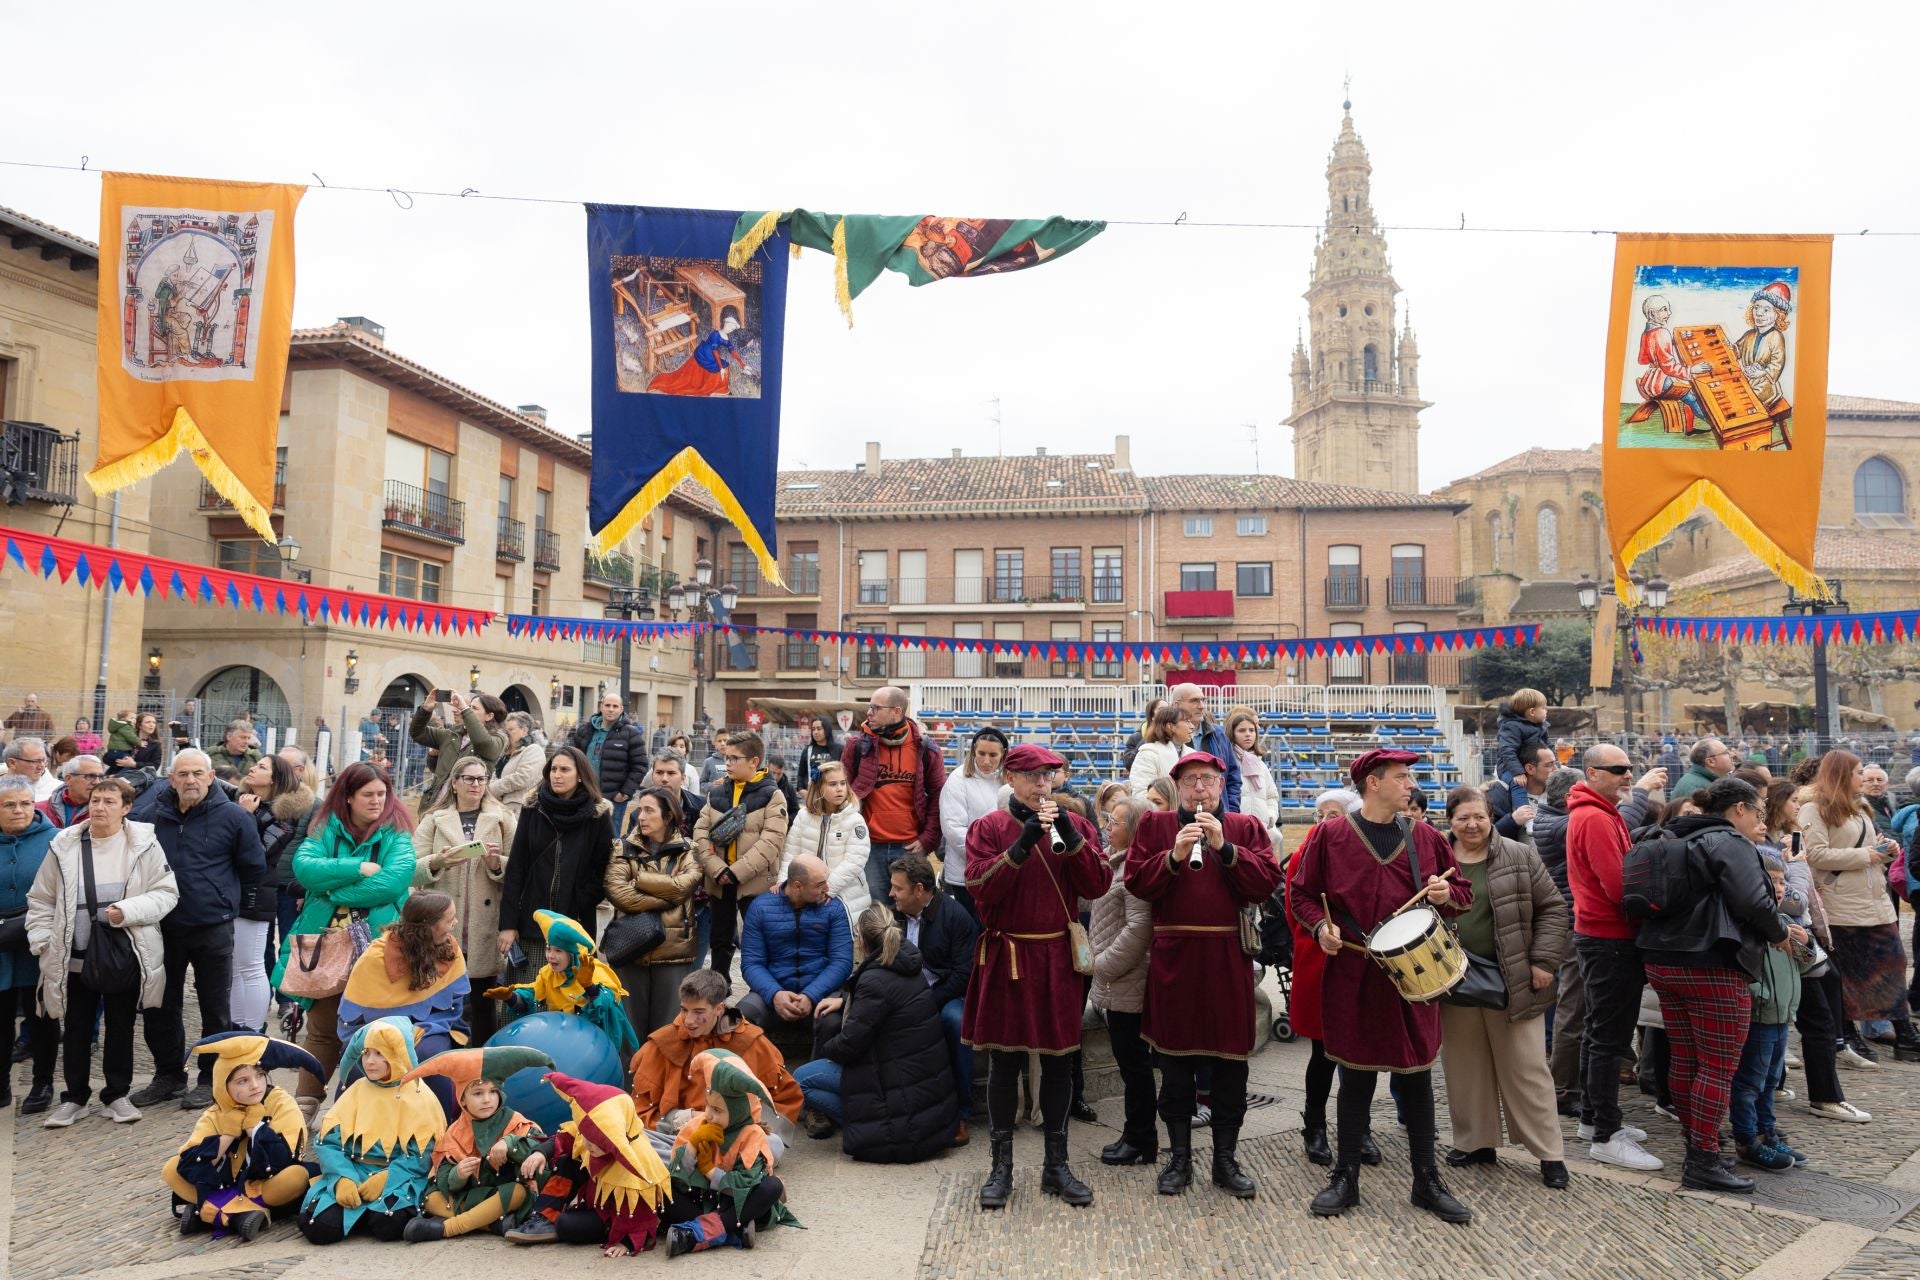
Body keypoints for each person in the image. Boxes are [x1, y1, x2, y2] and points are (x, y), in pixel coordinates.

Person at [1288, 748, 1474, 1223]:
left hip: (1412, 976)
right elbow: (1301, 894)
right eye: (1401, 776)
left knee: (1415, 1078)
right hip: (1353, 972)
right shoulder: (1329, 836)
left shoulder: (1426, 836)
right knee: (1354, 1078)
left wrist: (1445, 894)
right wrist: (1319, 928)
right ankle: (1346, 1176)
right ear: (1373, 783)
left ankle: (1426, 1180)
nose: (1410, 784)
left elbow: (1463, 893)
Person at [1126, 750, 1284, 1199]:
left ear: (1220, 785)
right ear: (1177, 785)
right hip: (1175, 955)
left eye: (1208, 780)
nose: (1200, 789)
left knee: (1231, 1066)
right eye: (1192, 780)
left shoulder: (1245, 827)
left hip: (1227, 955)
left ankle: (1225, 1159)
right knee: (1175, 1066)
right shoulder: (1156, 827)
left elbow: (1263, 883)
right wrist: (1174, 857)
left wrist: (1225, 848)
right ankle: (1178, 1159)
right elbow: (1138, 883)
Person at [964, 743, 1111, 1210]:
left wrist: (1071, 834)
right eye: (1031, 777)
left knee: (1060, 1062)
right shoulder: (988, 827)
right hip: (1007, 954)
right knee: (1004, 1064)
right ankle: (1000, 1168)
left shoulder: (1079, 825)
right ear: (1010, 777)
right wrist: (1023, 844)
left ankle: (1057, 1166)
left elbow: (1097, 886)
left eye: (1049, 777)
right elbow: (980, 888)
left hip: (1055, 957)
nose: (1041, 785)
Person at [1635, 778, 1799, 1191]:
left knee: (1687, 1059)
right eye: (1759, 811)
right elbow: (1754, 902)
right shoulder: (1727, 841)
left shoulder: (1667, 834)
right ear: (1739, 809)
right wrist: (1779, 932)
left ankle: (1699, 1144)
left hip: (1661, 960)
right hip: (1712, 963)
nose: (1761, 820)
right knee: (1718, 1066)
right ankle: (1703, 1158)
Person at [1436, 787, 1571, 1189]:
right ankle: (1476, 1142)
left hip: (1513, 978)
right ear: (1450, 821)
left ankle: (1549, 1152)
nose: (1472, 824)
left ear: (1491, 817)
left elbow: (1553, 908)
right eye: (1463, 818)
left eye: (1479, 816)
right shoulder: (1436, 859)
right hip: (1454, 980)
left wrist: (1543, 961)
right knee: (1464, 1066)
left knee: (1526, 1068)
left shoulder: (1519, 854)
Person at [28, 777, 178, 1126]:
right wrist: (41, 942)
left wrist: (127, 911)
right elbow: (41, 899)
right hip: (73, 955)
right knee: (77, 1027)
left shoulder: (144, 844)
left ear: (127, 808)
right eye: (95, 800)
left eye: (110, 801)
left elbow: (166, 893)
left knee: (120, 1027)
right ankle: (74, 1097)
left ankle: (117, 1095)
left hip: (123, 954)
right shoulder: (63, 844)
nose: (99, 807)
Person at [273, 761, 416, 1116]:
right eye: (368, 795)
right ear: (348, 797)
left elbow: (393, 882)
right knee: (322, 1028)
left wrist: (332, 891)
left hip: (381, 946)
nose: (377, 801)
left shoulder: (396, 831)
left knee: (375, 1030)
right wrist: (357, 868)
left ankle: (362, 1111)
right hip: (328, 946)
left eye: (382, 794)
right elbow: (305, 869)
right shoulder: (324, 827)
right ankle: (304, 1108)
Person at [127, 750, 268, 1111]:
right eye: (183, 774)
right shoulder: (149, 816)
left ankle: (211, 1078)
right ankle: (169, 1075)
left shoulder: (235, 818)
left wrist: (222, 896)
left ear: (210, 777)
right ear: (171, 778)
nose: (190, 780)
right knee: (160, 1004)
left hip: (212, 925)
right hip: (161, 926)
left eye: (197, 773)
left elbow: (253, 867)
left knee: (214, 1007)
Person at [1564, 742, 1665, 1171]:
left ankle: (1593, 1118)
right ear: (1592, 773)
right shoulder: (1593, 817)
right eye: (1618, 769)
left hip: (1603, 935)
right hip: (1609, 938)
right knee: (1608, 1036)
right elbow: (1619, 887)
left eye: (1629, 768)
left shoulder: (1596, 813)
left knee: (1600, 1032)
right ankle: (1605, 1132)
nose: (1628, 775)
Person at [792, 901, 959, 1161]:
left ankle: (869, 1125)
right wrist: (846, 1000)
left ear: (863, 941)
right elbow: (887, 1005)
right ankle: (870, 1118)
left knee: (801, 1078)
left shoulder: (874, 980)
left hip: (899, 1095)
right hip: (922, 1092)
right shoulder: (906, 960)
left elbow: (850, 1045)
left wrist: (824, 1047)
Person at [1801, 750, 1920, 1061]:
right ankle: (1848, 1033)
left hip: (1874, 901)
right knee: (1849, 973)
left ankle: (1904, 1031)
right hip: (1841, 904)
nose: (1864, 778)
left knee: (1892, 965)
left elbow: (1869, 849)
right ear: (1843, 775)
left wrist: (1886, 850)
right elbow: (1815, 855)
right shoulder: (1814, 809)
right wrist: (1868, 855)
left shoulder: (1860, 809)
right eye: (1858, 773)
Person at [1765, 780, 1869, 1122]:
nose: (1798, 806)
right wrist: (1796, 864)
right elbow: (1790, 900)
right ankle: (1824, 1096)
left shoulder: (1781, 838)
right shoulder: (1767, 847)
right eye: (1793, 801)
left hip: (1802, 937)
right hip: (1789, 940)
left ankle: (1780, 1083)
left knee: (1793, 1018)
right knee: (1814, 1020)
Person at [298, 1016, 443, 1244]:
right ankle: (356, 1212)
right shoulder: (355, 1091)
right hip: (353, 1172)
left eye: (379, 1054)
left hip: (396, 1178)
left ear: (397, 1055)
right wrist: (342, 1177)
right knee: (320, 1228)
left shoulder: (419, 1096)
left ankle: (368, 1216)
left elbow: (424, 1153)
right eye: (366, 1053)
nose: (370, 1061)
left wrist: (389, 1177)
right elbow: (329, 1142)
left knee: (388, 1224)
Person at [163, 1032, 321, 1240]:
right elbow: (190, 1163)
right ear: (224, 1086)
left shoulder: (281, 1102)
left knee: (296, 1177)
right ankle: (238, 1214)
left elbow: (284, 1158)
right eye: (242, 1081)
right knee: (170, 1169)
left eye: (259, 1075)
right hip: (223, 1182)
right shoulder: (217, 1111)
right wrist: (227, 1135)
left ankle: (209, 1210)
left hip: (265, 1183)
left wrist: (255, 1127)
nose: (255, 1085)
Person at [398, 1045, 555, 1242]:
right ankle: (491, 1224)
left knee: (517, 1192)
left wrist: (510, 1143)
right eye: (478, 1093)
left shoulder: (515, 1121)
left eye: (492, 1092)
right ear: (462, 1099)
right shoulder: (455, 1131)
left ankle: (448, 1228)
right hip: (474, 1196)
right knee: (430, 1197)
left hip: (504, 1194)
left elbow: (539, 1151)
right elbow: (443, 1177)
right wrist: (458, 1175)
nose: (487, 1100)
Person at [510, 1070, 675, 1255]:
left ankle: (600, 1229)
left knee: (566, 1225)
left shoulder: (637, 1161)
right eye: (586, 1136)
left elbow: (641, 1210)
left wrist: (627, 1242)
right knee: (567, 1161)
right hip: (596, 1197)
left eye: (596, 1141)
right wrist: (540, 1153)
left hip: (617, 1215)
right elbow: (568, 1137)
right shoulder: (590, 1134)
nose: (587, 1143)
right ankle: (545, 1217)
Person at [338, 892, 472, 1118]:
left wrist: (423, 1030)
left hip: (431, 1026)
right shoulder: (375, 957)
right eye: (450, 920)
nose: (455, 924)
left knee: (431, 1056)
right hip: (378, 1029)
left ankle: (441, 1128)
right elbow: (353, 1018)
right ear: (428, 926)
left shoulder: (449, 949)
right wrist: (394, 1035)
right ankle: (353, 1128)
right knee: (361, 1062)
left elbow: (455, 1006)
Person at [413, 755, 514, 1044]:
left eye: (481, 779)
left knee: (483, 1001)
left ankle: (481, 1067)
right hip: (442, 925)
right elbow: (412, 869)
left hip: (485, 924)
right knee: (440, 997)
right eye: (468, 778)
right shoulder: (433, 820)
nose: (476, 784)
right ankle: (440, 1058)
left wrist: (496, 864)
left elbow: (519, 868)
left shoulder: (503, 818)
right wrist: (438, 862)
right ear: (454, 783)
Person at [627, 968, 803, 1131]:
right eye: (684, 1010)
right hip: (677, 1137)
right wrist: (685, 1119)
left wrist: (744, 1125)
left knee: (773, 1146)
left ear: (719, 1008)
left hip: (738, 1135)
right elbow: (640, 1113)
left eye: (698, 1012)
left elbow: (784, 1100)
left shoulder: (750, 1041)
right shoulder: (662, 1044)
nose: (688, 1020)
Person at [662, 1051, 799, 1255]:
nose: (708, 1114)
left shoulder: (752, 1135)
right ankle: (733, 1230)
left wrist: (710, 1171)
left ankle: (695, 1233)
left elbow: (745, 1186)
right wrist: (692, 1147)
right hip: (702, 1200)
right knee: (662, 1193)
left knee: (772, 1186)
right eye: (708, 1105)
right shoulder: (697, 1126)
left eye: (718, 1110)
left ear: (737, 1111)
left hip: (735, 1203)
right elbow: (677, 1178)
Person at [498, 746, 615, 982]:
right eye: (553, 769)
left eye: (565, 770)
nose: (557, 775)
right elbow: (516, 868)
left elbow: (603, 869)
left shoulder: (598, 815)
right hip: (532, 924)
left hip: (575, 925)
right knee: (528, 998)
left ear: (580, 774)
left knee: (569, 1000)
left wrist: (581, 900)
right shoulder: (533, 808)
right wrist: (508, 924)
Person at [886, 852, 977, 1144]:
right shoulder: (892, 916)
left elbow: (964, 975)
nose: (891, 893)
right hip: (903, 996)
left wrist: (926, 1003)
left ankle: (961, 1112)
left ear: (919, 890)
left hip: (943, 996)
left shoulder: (955, 916)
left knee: (957, 1021)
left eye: (898, 888)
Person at [1728, 850, 1805, 1173]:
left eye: (1782, 881)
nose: (1778, 887)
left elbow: (1807, 961)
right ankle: (1748, 1139)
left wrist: (1804, 943)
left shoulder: (1785, 921)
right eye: (1771, 880)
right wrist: (1757, 994)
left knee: (1771, 1078)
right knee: (1750, 1082)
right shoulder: (1749, 924)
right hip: (1759, 1014)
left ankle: (1767, 1131)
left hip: (1781, 1015)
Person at [1090, 797, 1156, 1166]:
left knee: (1135, 1067)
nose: (1107, 827)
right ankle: (1136, 1135)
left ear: (1134, 830)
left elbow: (1138, 929)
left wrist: (1102, 967)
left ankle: (1140, 1139)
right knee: (1131, 1066)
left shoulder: (1133, 868)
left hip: (1126, 982)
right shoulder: (1117, 863)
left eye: (1113, 822)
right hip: (1118, 981)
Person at [692, 731, 789, 980]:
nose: (728, 764)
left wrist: (736, 873)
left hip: (753, 884)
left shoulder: (772, 795)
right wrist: (718, 869)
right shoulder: (718, 792)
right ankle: (719, 989)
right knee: (720, 941)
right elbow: (700, 831)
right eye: (727, 758)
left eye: (734, 759)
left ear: (754, 761)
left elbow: (771, 842)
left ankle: (762, 989)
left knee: (758, 942)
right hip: (719, 880)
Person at [606, 786, 700, 1038]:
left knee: (668, 1033)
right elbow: (618, 894)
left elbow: (683, 889)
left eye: (649, 810)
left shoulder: (688, 849)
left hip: (673, 951)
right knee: (628, 1032)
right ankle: (627, 1078)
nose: (642, 816)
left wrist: (640, 880)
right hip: (630, 948)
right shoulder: (622, 847)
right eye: (640, 810)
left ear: (668, 816)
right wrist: (666, 900)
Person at [841, 687, 947, 907]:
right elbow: (842, 795)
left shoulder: (926, 749)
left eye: (876, 708)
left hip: (909, 849)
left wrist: (928, 840)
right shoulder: (857, 746)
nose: (869, 713)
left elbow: (939, 797)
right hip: (868, 848)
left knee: (911, 914)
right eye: (869, 707)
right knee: (875, 915)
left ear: (897, 711)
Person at [231, 755, 314, 1035]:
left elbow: (256, 855)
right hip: (231, 893)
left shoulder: (283, 819)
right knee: (235, 968)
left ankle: (253, 1031)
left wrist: (245, 816)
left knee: (252, 965)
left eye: (262, 767)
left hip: (257, 894)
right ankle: (237, 1029)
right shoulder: (242, 802)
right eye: (255, 764)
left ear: (275, 780)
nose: (252, 768)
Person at [488, 909, 640, 1060]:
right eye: (548, 949)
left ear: (574, 954)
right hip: (563, 1046)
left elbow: (605, 1007)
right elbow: (531, 999)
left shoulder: (594, 971)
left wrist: (589, 987)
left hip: (594, 1051)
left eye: (558, 950)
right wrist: (511, 997)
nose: (550, 956)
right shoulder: (548, 974)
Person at [737, 854, 853, 1035]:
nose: (827, 888)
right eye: (819, 884)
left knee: (833, 1022)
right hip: (772, 992)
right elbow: (752, 964)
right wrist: (775, 994)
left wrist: (811, 995)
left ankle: (819, 1064)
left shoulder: (834, 908)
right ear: (798, 886)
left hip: (822, 993)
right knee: (740, 1018)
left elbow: (842, 962)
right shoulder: (760, 908)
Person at [2, 775, 61, 1112]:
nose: (19, 810)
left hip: (40, 941)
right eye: (9, 804)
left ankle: (43, 1083)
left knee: (43, 1017)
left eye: (25, 803)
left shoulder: (55, 840)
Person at [780, 762, 871, 928]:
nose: (840, 789)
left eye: (843, 783)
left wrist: (827, 888)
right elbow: (791, 854)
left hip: (845, 895)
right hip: (808, 894)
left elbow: (856, 860)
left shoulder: (855, 820)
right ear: (819, 788)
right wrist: (784, 884)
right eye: (833, 784)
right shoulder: (803, 816)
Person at [938, 727, 1006, 921]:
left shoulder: (1009, 780)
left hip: (1001, 871)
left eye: (993, 755)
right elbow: (953, 829)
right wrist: (986, 860)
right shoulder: (958, 780)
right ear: (973, 752)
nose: (986, 760)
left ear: (1003, 754)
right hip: (966, 874)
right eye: (981, 753)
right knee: (972, 930)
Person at [410, 691, 507, 816]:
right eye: (469, 707)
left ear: (489, 716)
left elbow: (483, 742)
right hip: (434, 808)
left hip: (465, 813)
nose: (463, 710)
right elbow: (417, 732)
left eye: (474, 708)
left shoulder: (498, 739)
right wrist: (426, 709)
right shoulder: (452, 734)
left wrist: (465, 709)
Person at [570, 694, 650, 833]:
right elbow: (571, 758)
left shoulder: (630, 733)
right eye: (607, 705)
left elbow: (640, 765)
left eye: (615, 706)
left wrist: (624, 793)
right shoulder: (584, 730)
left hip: (614, 799)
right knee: (580, 835)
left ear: (621, 709)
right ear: (601, 707)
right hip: (584, 794)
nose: (611, 709)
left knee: (610, 838)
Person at [1167, 684, 1242, 813]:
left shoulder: (1219, 735)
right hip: (1178, 820)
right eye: (1194, 700)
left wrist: (1230, 813)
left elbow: (1232, 780)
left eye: (1203, 700)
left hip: (1218, 818)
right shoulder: (1163, 739)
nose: (1201, 706)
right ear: (1176, 705)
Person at [1225, 709, 1279, 836]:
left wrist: (1270, 816)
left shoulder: (1260, 765)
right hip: (1234, 830)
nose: (1248, 734)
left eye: (1251, 730)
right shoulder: (1226, 762)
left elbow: (1272, 796)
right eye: (1242, 730)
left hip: (1261, 832)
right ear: (1232, 733)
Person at [1489, 743, 1555, 841]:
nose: (1556, 769)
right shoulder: (1501, 793)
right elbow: (1487, 838)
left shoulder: (1560, 792)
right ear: (1530, 768)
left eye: (1555, 763)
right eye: (1549, 765)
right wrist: (1512, 821)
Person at [1127, 704, 1193, 801]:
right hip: (1159, 815)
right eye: (1187, 721)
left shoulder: (1192, 754)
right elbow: (1141, 794)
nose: (1192, 727)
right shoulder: (1148, 754)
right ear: (1170, 726)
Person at [489, 712, 546, 819]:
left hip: (519, 811)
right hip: (498, 808)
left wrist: (492, 788)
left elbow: (521, 778)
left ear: (524, 730)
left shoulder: (533, 750)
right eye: (506, 729)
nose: (507, 733)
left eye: (511, 729)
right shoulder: (505, 754)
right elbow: (494, 776)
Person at [1493, 688, 1551, 790]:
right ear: (1532, 712)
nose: (1546, 710)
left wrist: (1556, 766)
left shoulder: (1542, 727)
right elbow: (1507, 751)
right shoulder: (1511, 727)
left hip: (1531, 767)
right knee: (1519, 784)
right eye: (1543, 708)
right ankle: (1522, 805)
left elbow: (1549, 748)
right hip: (1510, 769)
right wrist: (1518, 772)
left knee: (1561, 778)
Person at [39, 755, 104, 827]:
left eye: (101, 777)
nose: (97, 782)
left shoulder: (106, 813)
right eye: (90, 776)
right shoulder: (39, 810)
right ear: (68, 779)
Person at [650, 751, 704, 836]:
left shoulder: (702, 808)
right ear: (652, 777)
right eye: (659, 773)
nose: (664, 779)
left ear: (683, 779)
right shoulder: (639, 816)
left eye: (671, 773)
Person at [5, 736, 60, 803]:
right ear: (12, 763)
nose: (42, 766)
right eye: (35, 761)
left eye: (44, 761)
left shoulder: (58, 792)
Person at [1120, 697, 1166, 774]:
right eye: (1161, 709)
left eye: (1168, 709)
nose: (1166, 712)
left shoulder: (1176, 735)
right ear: (1152, 715)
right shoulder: (1136, 737)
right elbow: (1129, 765)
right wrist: (1149, 737)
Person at [795, 717, 839, 785]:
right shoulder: (807, 750)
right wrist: (802, 790)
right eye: (813, 729)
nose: (815, 732)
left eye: (819, 729)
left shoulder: (839, 749)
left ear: (827, 729)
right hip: (811, 792)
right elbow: (800, 775)